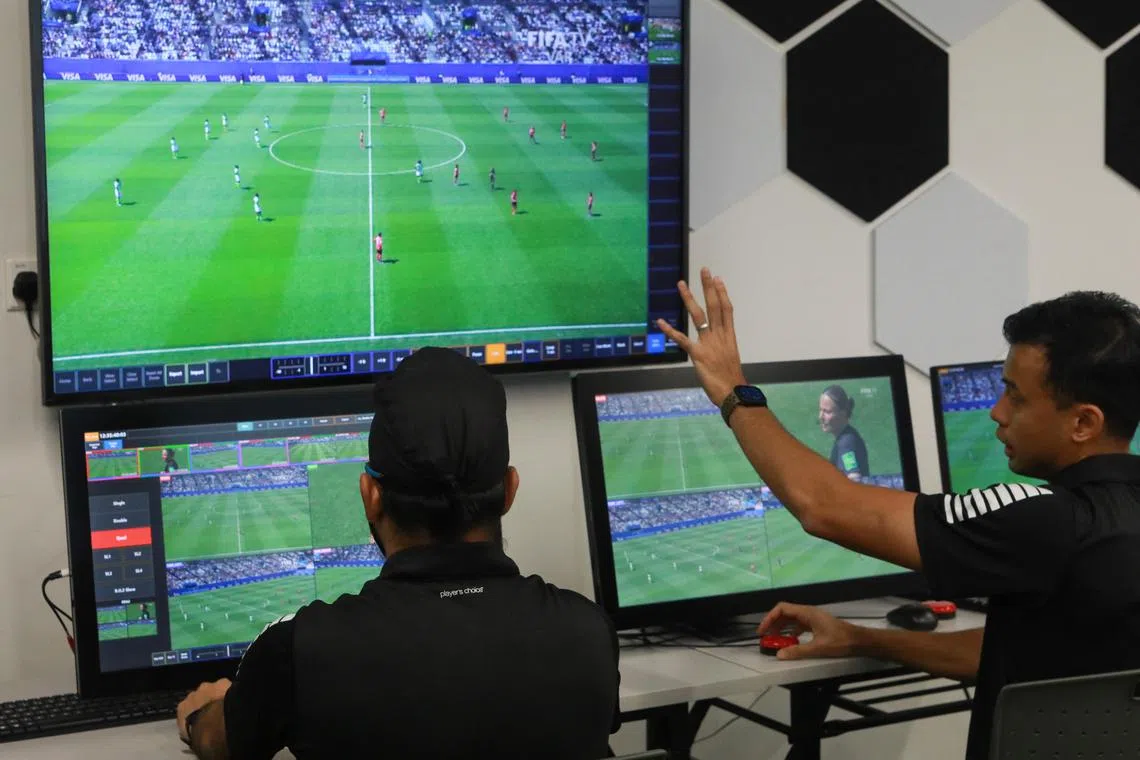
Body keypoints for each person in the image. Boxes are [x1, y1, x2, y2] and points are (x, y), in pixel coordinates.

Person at [657, 270, 1140, 759]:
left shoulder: (1044, 521)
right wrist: (861, 638)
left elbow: (824, 507)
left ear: (1084, 422)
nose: (996, 412)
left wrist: (733, 389)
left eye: (1015, 396)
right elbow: (1015, 657)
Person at [176, 349, 621, 760]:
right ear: (509, 491)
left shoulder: (300, 650)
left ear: (370, 495)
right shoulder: (590, 633)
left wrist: (205, 712)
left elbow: (221, 744)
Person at [819, 385, 869, 481]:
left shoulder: (846, 443)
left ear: (843, 413)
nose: (821, 416)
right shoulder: (846, 437)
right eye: (821, 410)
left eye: (827, 411)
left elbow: (855, 479)